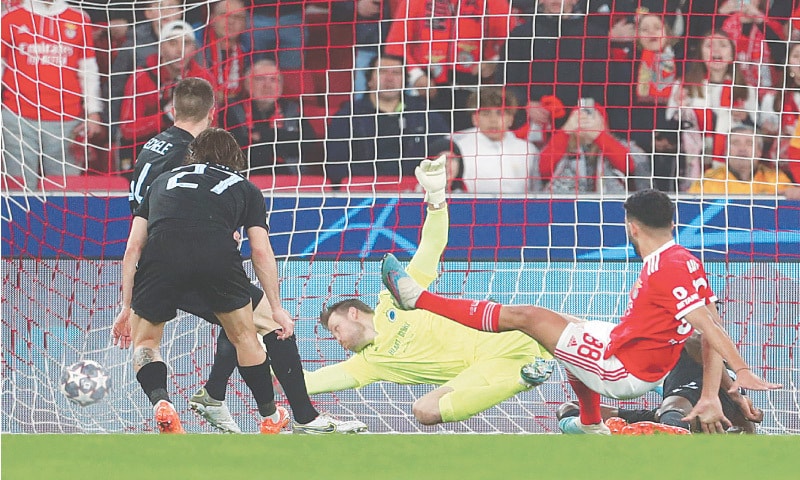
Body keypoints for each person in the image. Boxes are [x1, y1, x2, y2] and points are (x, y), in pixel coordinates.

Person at [381, 188, 782, 434]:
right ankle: (591, 424)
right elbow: (708, 327)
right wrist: (718, 390)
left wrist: (740, 372)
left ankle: (417, 299)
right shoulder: (686, 258)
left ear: (631, 226)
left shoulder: (664, 269)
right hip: (638, 351)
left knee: (530, 318)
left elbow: (709, 329)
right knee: (571, 328)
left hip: (625, 372)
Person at [123, 77, 366, 435]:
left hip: (158, 260)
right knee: (266, 321)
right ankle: (298, 417)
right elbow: (253, 244)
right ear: (213, 111)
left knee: (235, 322)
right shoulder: (190, 155)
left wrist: (127, 299)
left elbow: (144, 224)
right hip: (200, 258)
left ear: (173, 108)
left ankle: (212, 394)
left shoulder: (154, 146)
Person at [305, 155, 552, 426]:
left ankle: (585, 413)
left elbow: (432, 246)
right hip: (492, 367)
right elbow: (308, 383)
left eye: (336, 329)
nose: (337, 340)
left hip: (509, 334)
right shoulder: (368, 365)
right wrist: (259, 360)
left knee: (591, 349)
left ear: (353, 313)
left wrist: (435, 195)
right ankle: (524, 380)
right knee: (426, 410)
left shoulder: (396, 297)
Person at [110, 127, 292, 434]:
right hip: (216, 254)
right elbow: (260, 250)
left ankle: (161, 403)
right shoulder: (246, 187)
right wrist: (276, 307)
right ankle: (269, 417)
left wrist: (126, 305)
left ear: (192, 154)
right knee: (245, 338)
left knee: (145, 343)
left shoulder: (161, 181)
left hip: (161, 254)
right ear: (236, 158)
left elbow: (132, 248)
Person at [555, 332, 764, 435]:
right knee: (569, 409)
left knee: (672, 409)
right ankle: (669, 431)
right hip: (692, 406)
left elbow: (698, 340)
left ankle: (669, 432)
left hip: (688, 408)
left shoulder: (689, 345)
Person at [1, 0, 104, 188]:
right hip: (17, 118)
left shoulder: (79, 18)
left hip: (67, 120)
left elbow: (88, 70)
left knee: (65, 190)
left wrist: (93, 112)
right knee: (18, 187)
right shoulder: (9, 17)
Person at [384, 0, 512, 131]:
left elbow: (513, 38)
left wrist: (495, 61)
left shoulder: (494, 2)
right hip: (426, 90)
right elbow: (395, 44)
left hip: (474, 94)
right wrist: (416, 76)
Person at [325, 54, 450, 186]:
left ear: (405, 81)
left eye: (396, 73)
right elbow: (335, 166)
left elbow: (445, 153)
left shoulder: (424, 114)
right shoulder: (347, 116)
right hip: (363, 191)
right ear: (369, 80)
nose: (389, 78)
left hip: (415, 191)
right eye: (382, 72)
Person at [117, 20, 214, 171]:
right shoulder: (142, 76)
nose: (179, 50)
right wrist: (165, 117)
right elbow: (128, 130)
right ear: (161, 48)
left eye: (186, 43)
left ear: (194, 48)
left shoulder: (203, 78)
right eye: (172, 43)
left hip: (190, 151)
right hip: (146, 152)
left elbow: (215, 125)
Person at [223, 58, 320, 175]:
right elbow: (236, 148)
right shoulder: (231, 109)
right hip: (245, 175)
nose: (267, 85)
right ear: (247, 84)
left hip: (289, 175)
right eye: (260, 79)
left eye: (273, 80)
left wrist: (262, 135)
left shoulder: (292, 109)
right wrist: (283, 140)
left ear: (281, 85)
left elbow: (308, 143)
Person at [538, 103, 650, 194]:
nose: (586, 123)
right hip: (567, 205)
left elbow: (628, 166)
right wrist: (565, 132)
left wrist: (598, 136)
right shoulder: (561, 144)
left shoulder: (621, 146)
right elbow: (543, 169)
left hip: (610, 205)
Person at [449, 86, 541, 194]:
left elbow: (537, 192)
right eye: (486, 114)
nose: (493, 120)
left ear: (510, 119)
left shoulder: (527, 150)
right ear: (475, 118)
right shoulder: (458, 149)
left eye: (500, 113)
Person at [687, 124, 793, 195]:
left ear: (759, 152)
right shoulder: (708, 181)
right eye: (736, 143)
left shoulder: (777, 180)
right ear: (726, 151)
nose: (742, 149)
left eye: (749, 143)